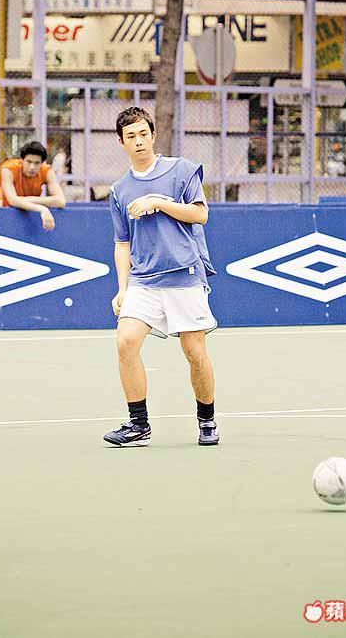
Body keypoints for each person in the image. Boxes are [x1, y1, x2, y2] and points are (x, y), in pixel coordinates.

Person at [103, 106, 219, 448]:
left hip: (185, 275)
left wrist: (158, 201)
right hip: (143, 281)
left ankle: (207, 420)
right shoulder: (119, 190)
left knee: (194, 351)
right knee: (125, 341)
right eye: (131, 136)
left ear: (153, 135)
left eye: (143, 134)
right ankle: (138, 425)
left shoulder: (182, 170)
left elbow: (200, 214)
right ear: (121, 142)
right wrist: (122, 289)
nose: (138, 141)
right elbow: (122, 243)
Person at [0, 141, 66, 230]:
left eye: (37, 163)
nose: (32, 167)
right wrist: (42, 209)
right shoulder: (8, 169)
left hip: (33, 218)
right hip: (7, 216)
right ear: (22, 160)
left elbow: (61, 201)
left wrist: (21, 200)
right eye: (29, 162)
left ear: (42, 163)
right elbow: (11, 201)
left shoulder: (47, 171)